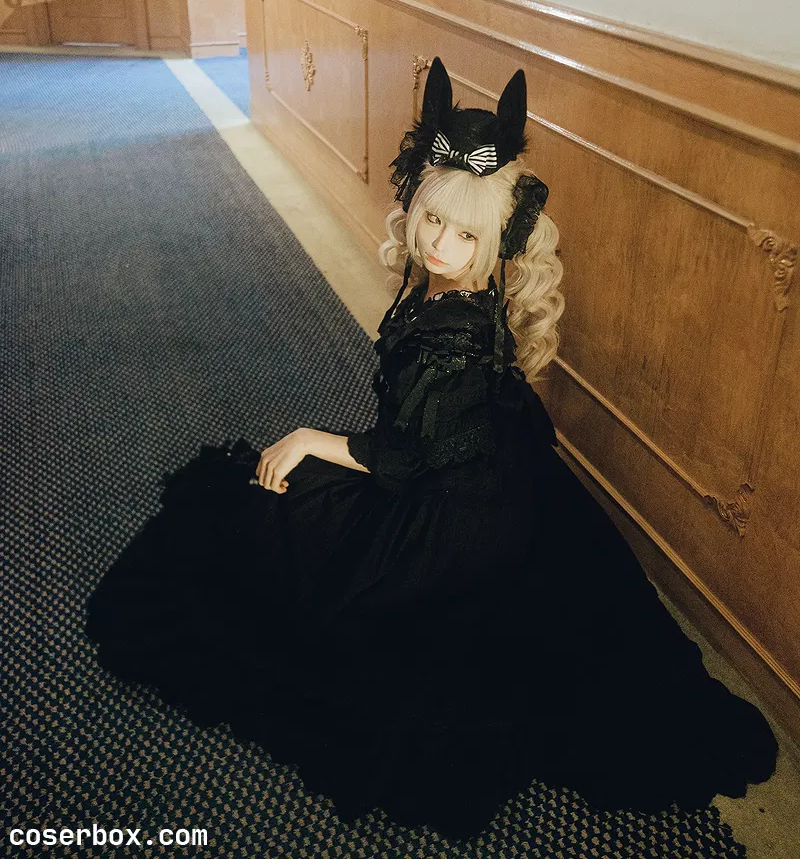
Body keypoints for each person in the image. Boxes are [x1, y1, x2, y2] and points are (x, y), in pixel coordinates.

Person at [85, 58, 778, 840]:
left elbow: (403, 456)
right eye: (433, 220)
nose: (441, 245)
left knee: (262, 536)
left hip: (449, 517)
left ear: (501, 237)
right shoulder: (465, 298)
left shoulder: (450, 336)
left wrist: (308, 438)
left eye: (466, 233)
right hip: (485, 475)